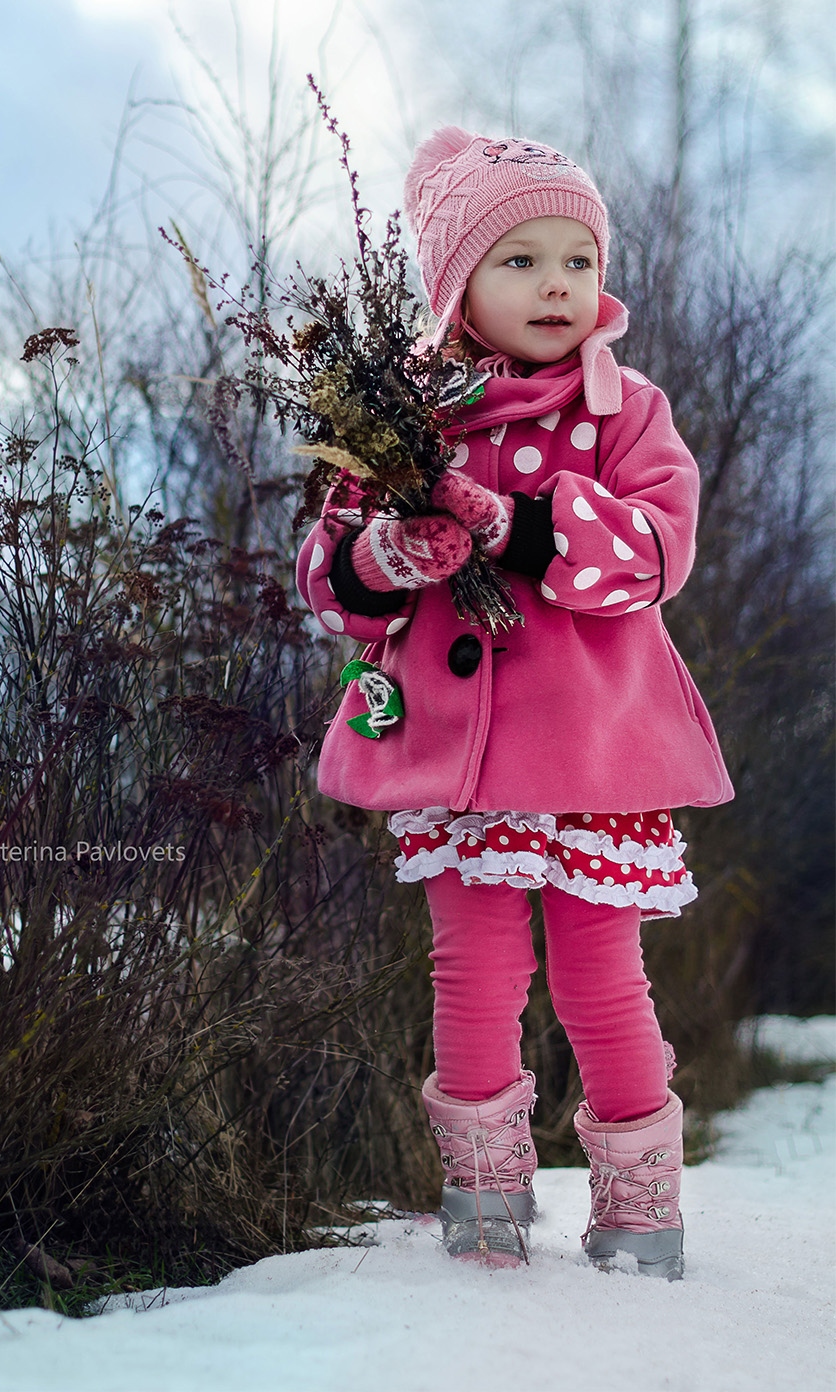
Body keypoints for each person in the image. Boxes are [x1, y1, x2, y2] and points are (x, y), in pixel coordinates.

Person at [295, 128, 733, 1280]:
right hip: (462, 753)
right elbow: (329, 570)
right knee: (474, 966)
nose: (556, 286)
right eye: (521, 261)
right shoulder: (404, 418)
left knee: (601, 971)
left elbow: (655, 551)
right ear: (456, 288)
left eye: (577, 261)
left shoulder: (627, 406)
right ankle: (483, 1196)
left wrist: (512, 524)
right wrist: (390, 551)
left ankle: (639, 1205)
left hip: (595, 749)